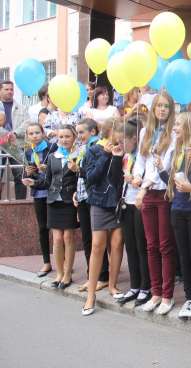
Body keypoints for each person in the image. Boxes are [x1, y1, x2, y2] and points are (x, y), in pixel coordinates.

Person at [159, 113, 191, 320]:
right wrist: (161, 171)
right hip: (177, 209)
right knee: (184, 256)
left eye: (178, 124)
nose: (174, 128)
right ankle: (189, 298)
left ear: (189, 126)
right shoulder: (176, 152)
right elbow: (173, 184)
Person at [133, 91, 178, 316]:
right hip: (147, 194)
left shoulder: (174, 134)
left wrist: (143, 187)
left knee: (165, 245)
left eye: (166, 106)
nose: (161, 109)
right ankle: (156, 293)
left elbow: (165, 165)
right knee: (151, 245)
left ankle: (167, 296)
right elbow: (141, 160)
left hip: (163, 193)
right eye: (158, 105)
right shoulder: (145, 132)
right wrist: (136, 176)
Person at [23, 125, 80, 289]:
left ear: (74, 138)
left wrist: (77, 171)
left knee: (68, 238)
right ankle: (59, 274)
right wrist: (33, 182)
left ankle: (67, 274)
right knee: (57, 239)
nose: (64, 140)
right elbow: (48, 181)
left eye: (67, 136)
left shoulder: (78, 156)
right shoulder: (52, 157)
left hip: (69, 201)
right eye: (61, 137)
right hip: (54, 201)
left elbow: (81, 179)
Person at [81, 117, 126, 315]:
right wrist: (106, 155)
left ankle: (113, 285)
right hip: (99, 202)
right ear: (111, 132)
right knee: (97, 246)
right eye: (120, 133)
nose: (122, 138)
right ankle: (91, 294)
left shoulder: (122, 150)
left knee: (117, 244)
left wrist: (116, 157)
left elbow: (116, 179)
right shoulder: (94, 150)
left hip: (117, 203)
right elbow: (91, 177)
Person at [112, 119, 152, 307]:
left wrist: (136, 180)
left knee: (141, 246)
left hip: (140, 203)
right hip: (126, 202)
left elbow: (148, 179)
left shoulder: (143, 155)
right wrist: (116, 158)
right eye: (118, 141)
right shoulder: (125, 156)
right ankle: (134, 285)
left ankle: (146, 286)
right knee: (130, 246)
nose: (120, 145)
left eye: (122, 141)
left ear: (134, 138)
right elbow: (114, 180)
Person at [73, 118, 110, 293]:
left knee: (96, 242)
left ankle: (101, 276)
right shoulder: (84, 148)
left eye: (82, 132)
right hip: (82, 197)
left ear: (93, 132)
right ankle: (92, 276)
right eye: (77, 133)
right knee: (88, 239)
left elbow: (92, 174)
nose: (79, 136)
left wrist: (77, 170)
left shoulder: (96, 148)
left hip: (92, 198)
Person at [23, 122, 56, 277]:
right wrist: (28, 174)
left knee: (57, 229)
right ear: (27, 136)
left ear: (43, 133)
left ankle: (63, 262)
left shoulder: (52, 148)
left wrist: (48, 168)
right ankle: (46, 262)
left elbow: (59, 169)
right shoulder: (28, 152)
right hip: (38, 193)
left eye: (37, 132)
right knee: (43, 228)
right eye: (31, 134)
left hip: (52, 192)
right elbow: (27, 176)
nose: (34, 136)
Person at [0, 80, 30, 200]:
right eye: (6, 89)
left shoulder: (22, 108)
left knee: (20, 175)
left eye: (11, 89)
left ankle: (21, 203)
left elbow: (27, 123)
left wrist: (15, 133)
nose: (9, 92)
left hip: (16, 145)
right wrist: (4, 133)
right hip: (0, 144)